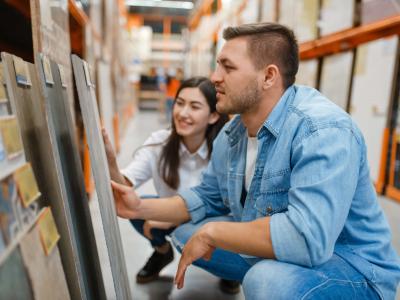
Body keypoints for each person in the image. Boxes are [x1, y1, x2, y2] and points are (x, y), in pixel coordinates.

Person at [110, 23, 400, 299]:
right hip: (300, 251)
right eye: (217, 65)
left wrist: (214, 233)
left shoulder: (321, 129)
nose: (214, 77)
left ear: (268, 76)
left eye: (228, 67)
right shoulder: (233, 133)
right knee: (186, 232)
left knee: (266, 280)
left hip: (353, 267)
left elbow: (308, 238)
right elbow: (207, 197)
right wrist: (137, 206)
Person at [103, 77, 232, 287]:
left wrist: (173, 219)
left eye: (195, 106)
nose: (182, 113)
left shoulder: (224, 149)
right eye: (180, 103)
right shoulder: (159, 142)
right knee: (139, 206)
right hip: (173, 214)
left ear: (213, 115)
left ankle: (228, 271)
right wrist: (109, 162)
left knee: (227, 227)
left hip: (210, 221)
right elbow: (124, 188)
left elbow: (228, 206)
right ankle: (162, 252)